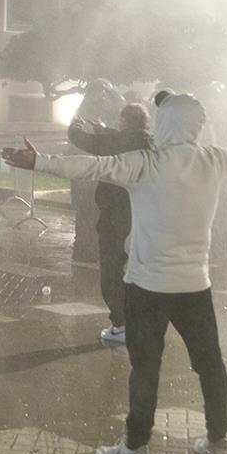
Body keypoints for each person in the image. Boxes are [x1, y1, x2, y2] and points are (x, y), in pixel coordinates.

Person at [3, 92, 227, 454]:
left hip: (147, 287)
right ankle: (218, 441)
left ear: (166, 123)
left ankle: (135, 448)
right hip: (195, 285)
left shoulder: (146, 164)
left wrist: (39, 161)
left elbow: (92, 166)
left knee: (145, 369)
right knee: (210, 365)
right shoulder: (213, 159)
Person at [67, 103, 153, 344]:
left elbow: (82, 140)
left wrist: (74, 126)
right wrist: (105, 130)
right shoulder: (151, 144)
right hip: (145, 217)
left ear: (123, 121)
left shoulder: (114, 143)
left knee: (112, 271)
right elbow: (130, 139)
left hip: (115, 217)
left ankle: (122, 324)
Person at [70, 79, 127, 264]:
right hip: (92, 171)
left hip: (88, 170)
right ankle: (88, 251)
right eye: (103, 92)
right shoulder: (96, 112)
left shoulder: (85, 111)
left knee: (89, 213)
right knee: (91, 212)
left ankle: (86, 251)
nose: (104, 96)